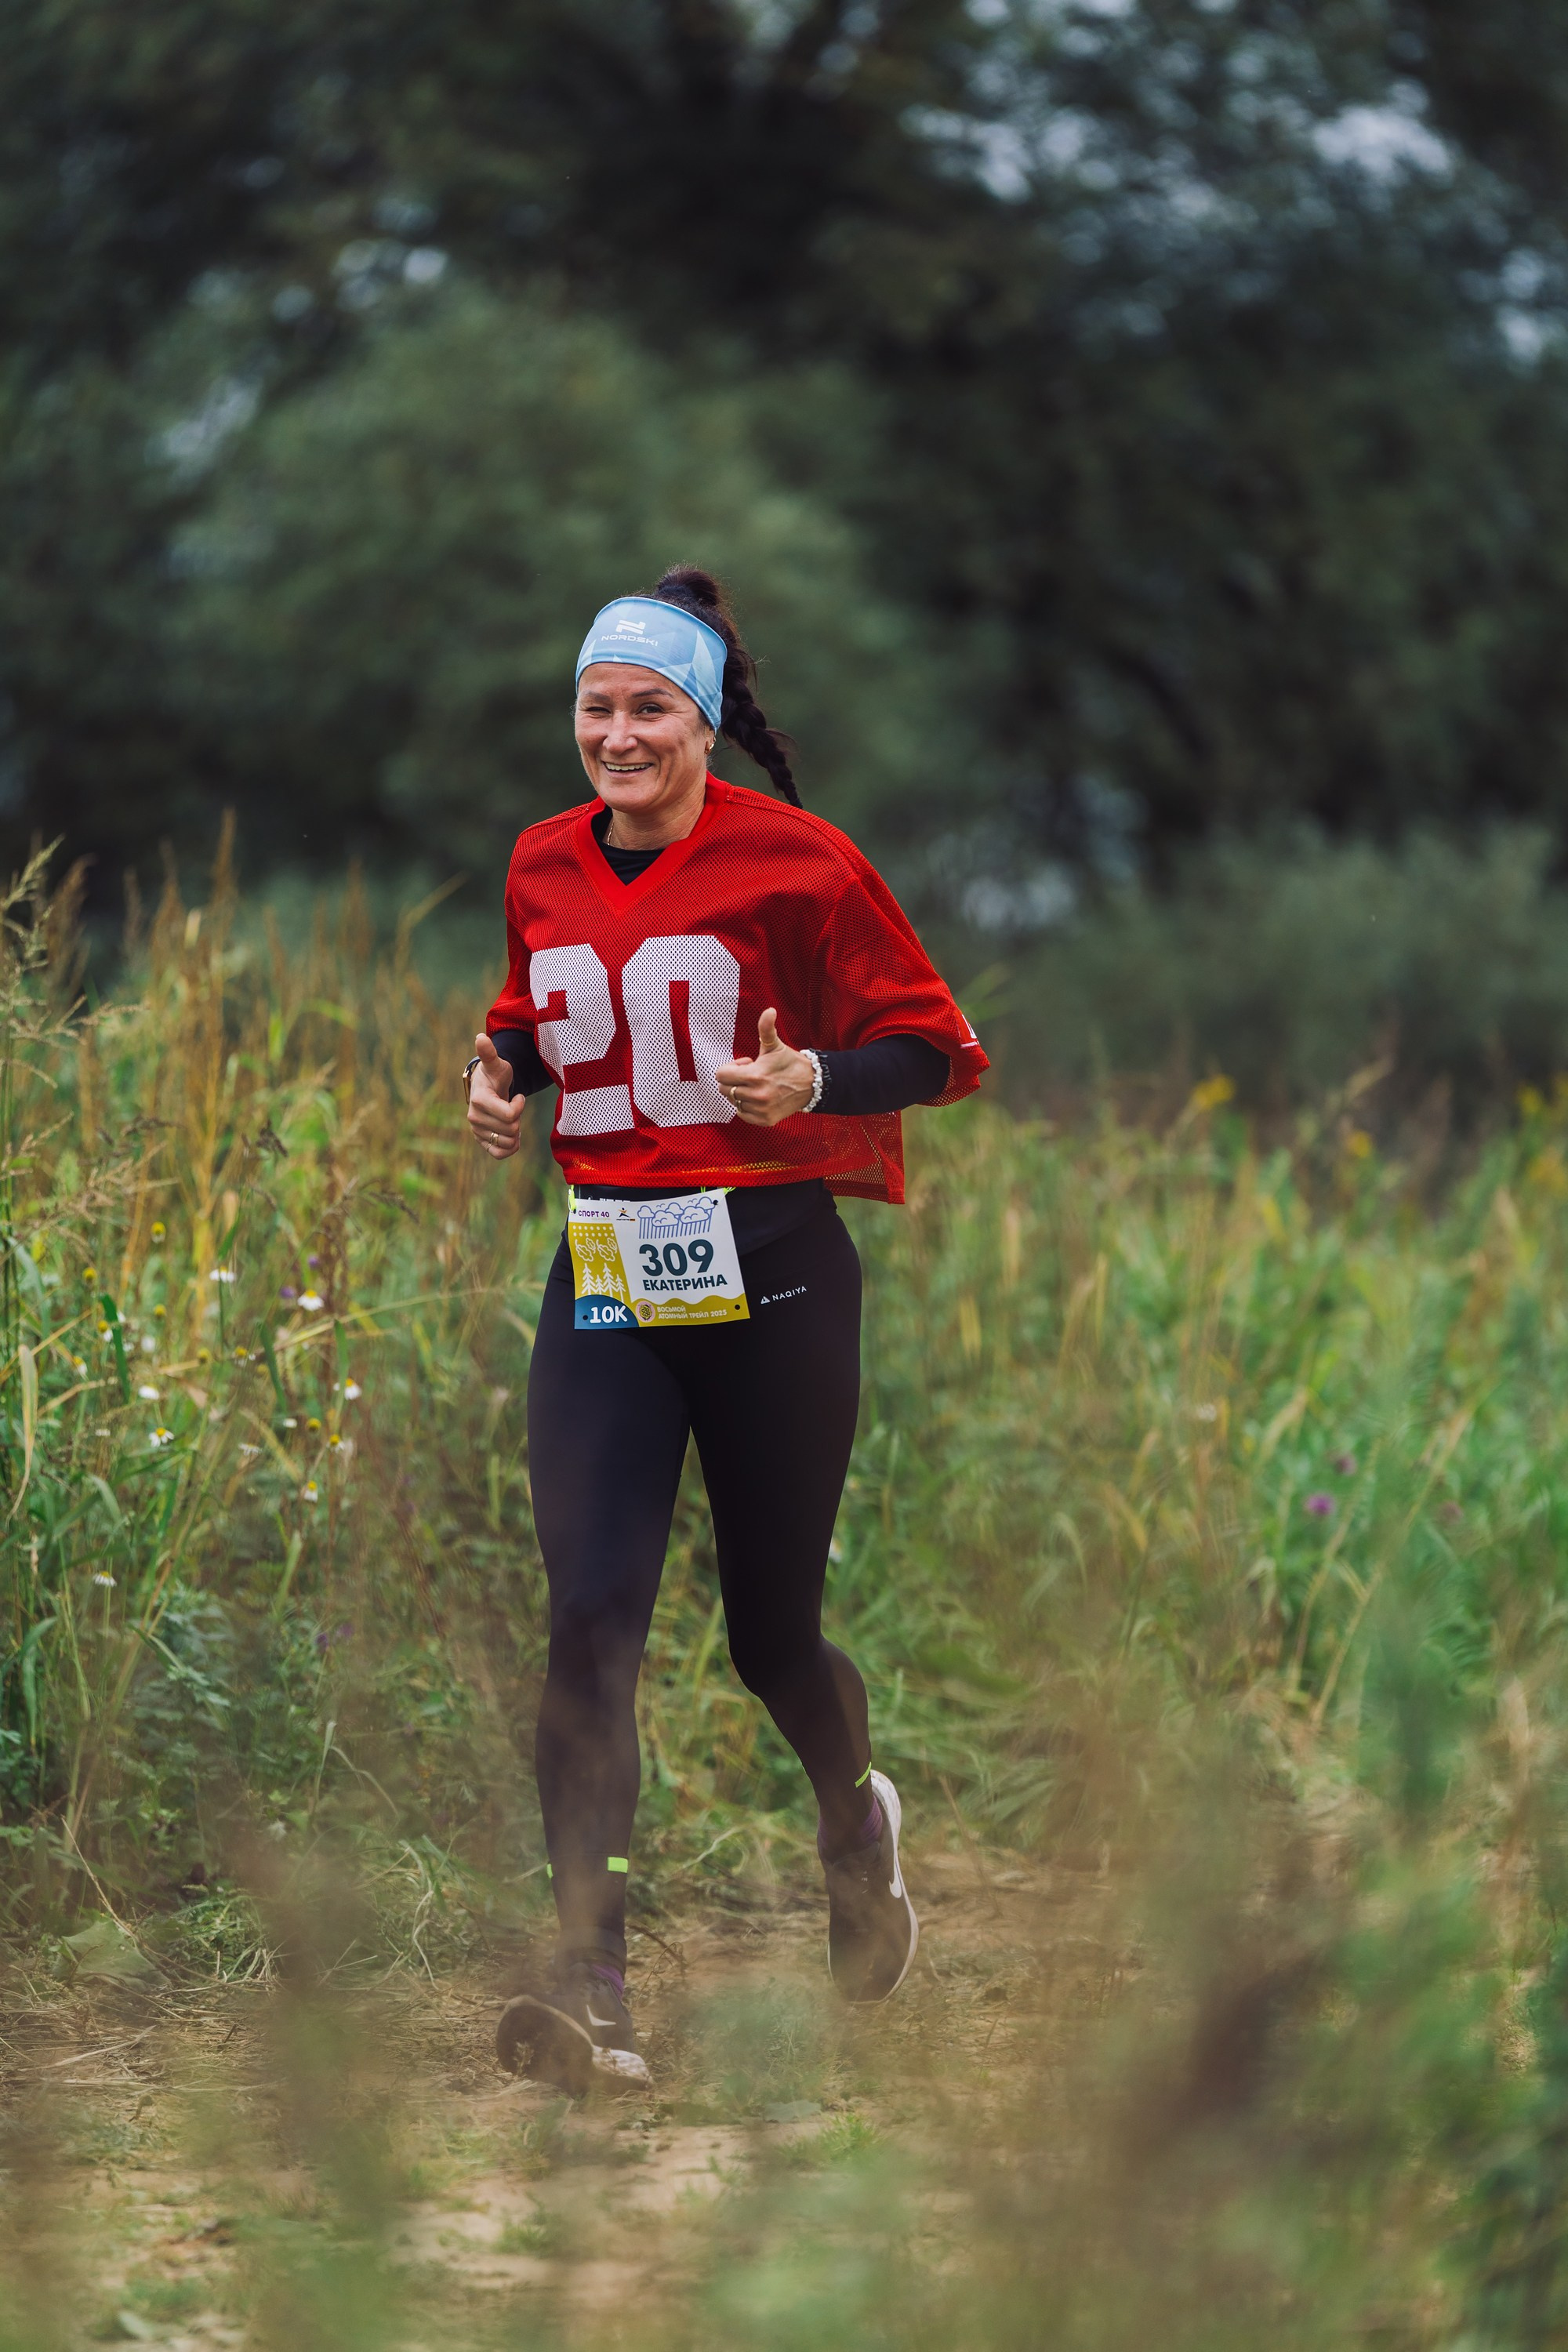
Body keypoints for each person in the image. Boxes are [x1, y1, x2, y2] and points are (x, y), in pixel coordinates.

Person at [466, 568, 988, 2093]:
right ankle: (591, 1986)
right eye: (596, 707)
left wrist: (811, 1084)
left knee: (768, 1636)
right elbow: (542, 1005)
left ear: (702, 723)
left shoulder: (803, 864)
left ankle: (852, 1820)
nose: (617, 736)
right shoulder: (540, 862)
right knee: (590, 1618)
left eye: (648, 709)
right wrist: (504, 1073)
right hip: (611, 1286)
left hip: (774, 1288)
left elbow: (944, 1052)